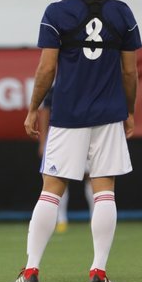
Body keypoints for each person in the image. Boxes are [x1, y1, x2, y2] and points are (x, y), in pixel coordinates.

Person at [14, 0, 141, 282]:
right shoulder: (122, 13)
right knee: (104, 191)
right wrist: (128, 111)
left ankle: (31, 270)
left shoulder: (56, 13)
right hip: (108, 114)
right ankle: (98, 270)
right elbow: (130, 73)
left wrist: (31, 109)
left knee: (51, 191)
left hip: (68, 114)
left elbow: (46, 68)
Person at [38, 86, 94, 234]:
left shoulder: (93, 82)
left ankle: (95, 219)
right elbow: (45, 111)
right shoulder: (58, 86)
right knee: (59, 177)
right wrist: (44, 141)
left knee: (93, 176)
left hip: (88, 134)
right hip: (63, 136)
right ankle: (61, 220)